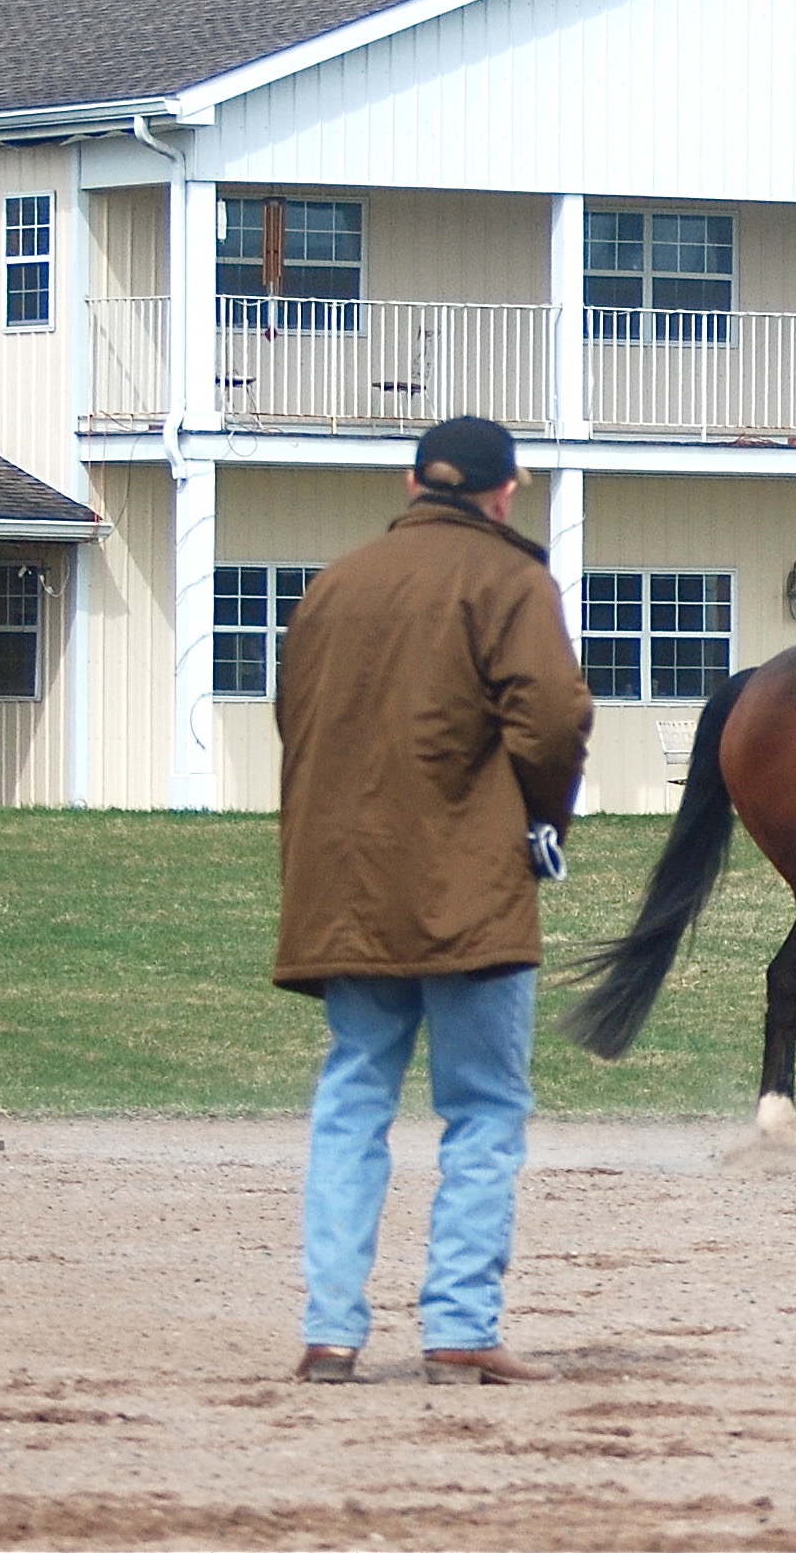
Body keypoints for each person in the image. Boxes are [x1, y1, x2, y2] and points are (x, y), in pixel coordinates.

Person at [273, 415, 593, 1386]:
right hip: (470, 880)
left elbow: (296, 715)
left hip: (346, 880)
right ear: (504, 492)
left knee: (351, 1099)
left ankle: (331, 1330)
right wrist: (544, 819)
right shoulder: (510, 578)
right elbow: (553, 716)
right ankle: (458, 1327)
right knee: (485, 1108)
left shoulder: (335, 580)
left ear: (414, 484)